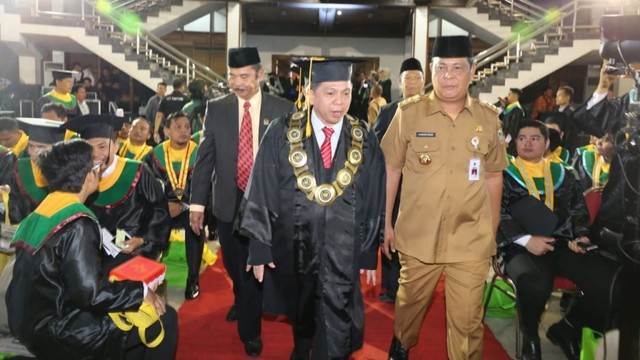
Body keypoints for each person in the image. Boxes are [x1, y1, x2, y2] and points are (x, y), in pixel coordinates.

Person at [240, 57, 386, 360]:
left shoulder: (363, 137)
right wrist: (258, 245)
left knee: (337, 321)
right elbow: (263, 186)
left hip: (343, 250)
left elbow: (373, 196)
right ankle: (302, 344)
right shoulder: (282, 132)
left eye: (346, 93)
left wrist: (367, 250)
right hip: (295, 244)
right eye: (330, 93)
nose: (340, 103)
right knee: (302, 310)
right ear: (311, 92)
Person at [380, 36, 508, 360]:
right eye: (441, 68)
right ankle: (402, 341)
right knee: (409, 304)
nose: (448, 76)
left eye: (457, 68)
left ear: (472, 71)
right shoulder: (408, 114)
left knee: (467, 322)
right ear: (431, 72)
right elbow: (391, 169)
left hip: (470, 237)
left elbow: (493, 176)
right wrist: (385, 223)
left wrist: (490, 231)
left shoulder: (488, 119)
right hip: (418, 233)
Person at [6, 139, 178, 359]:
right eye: (95, 167)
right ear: (88, 176)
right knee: (163, 318)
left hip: (24, 320)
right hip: (57, 329)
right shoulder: (78, 221)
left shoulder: (41, 212)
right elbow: (90, 295)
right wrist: (141, 292)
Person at [189, 47, 293, 356]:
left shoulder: (283, 108)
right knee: (234, 265)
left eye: (244, 76)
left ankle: (250, 331)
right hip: (228, 199)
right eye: (232, 77)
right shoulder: (217, 108)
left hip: (265, 201)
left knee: (255, 264)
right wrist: (197, 204)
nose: (238, 83)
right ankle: (241, 297)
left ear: (260, 74)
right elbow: (204, 158)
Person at [498, 120, 617, 360]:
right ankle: (530, 336)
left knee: (611, 283)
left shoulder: (563, 172)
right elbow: (496, 213)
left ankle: (567, 328)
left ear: (547, 142)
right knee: (533, 284)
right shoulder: (503, 173)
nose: (528, 143)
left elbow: (577, 209)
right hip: (519, 247)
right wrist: (525, 239)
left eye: (535, 138)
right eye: (522, 138)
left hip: (563, 245)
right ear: (515, 143)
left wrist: (580, 234)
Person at [61, 115, 170, 271]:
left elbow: (160, 210)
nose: (95, 154)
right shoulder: (78, 176)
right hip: (92, 243)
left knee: (109, 273)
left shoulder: (138, 171)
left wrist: (142, 239)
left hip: (133, 242)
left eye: (102, 146)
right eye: (88, 148)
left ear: (117, 146)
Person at [373, 57, 424, 304]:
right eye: (408, 79)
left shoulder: (432, 110)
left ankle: (416, 285)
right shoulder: (388, 111)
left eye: (417, 78)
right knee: (391, 230)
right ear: (400, 84)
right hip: (395, 182)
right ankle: (390, 287)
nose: (412, 83)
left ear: (424, 82)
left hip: (424, 185)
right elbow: (375, 146)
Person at [146, 112, 201, 299]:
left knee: (195, 227)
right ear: (166, 130)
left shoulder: (199, 153)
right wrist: (165, 204)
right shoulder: (154, 156)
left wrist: (183, 206)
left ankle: (193, 279)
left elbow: (205, 189)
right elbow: (149, 187)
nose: (184, 131)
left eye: (187, 127)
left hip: (190, 207)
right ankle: (151, 278)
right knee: (153, 224)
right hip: (163, 207)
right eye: (178, 126)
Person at [3, 117, 66, 223]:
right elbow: (15, 206)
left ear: (56, 148)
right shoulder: (19, 168)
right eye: (31, 146)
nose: (34, 152)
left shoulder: (68, 171)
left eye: (41, 147)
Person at [154, 77, 189, 144]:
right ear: (182, 87)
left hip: (168, 129)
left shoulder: (165, 99)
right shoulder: (186, 99)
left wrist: (155, 131)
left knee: (168, 148)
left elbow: (159, 116)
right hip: (182, 129)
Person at [499, 88, 525, 156]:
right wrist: (502, 106)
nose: (507, 96)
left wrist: (506, 142)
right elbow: (497, 116)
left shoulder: (517, 110)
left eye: (509, 94)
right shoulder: (509, 107)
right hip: (502, 138)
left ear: (514, 96)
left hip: (510, 143)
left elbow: (513, 128)